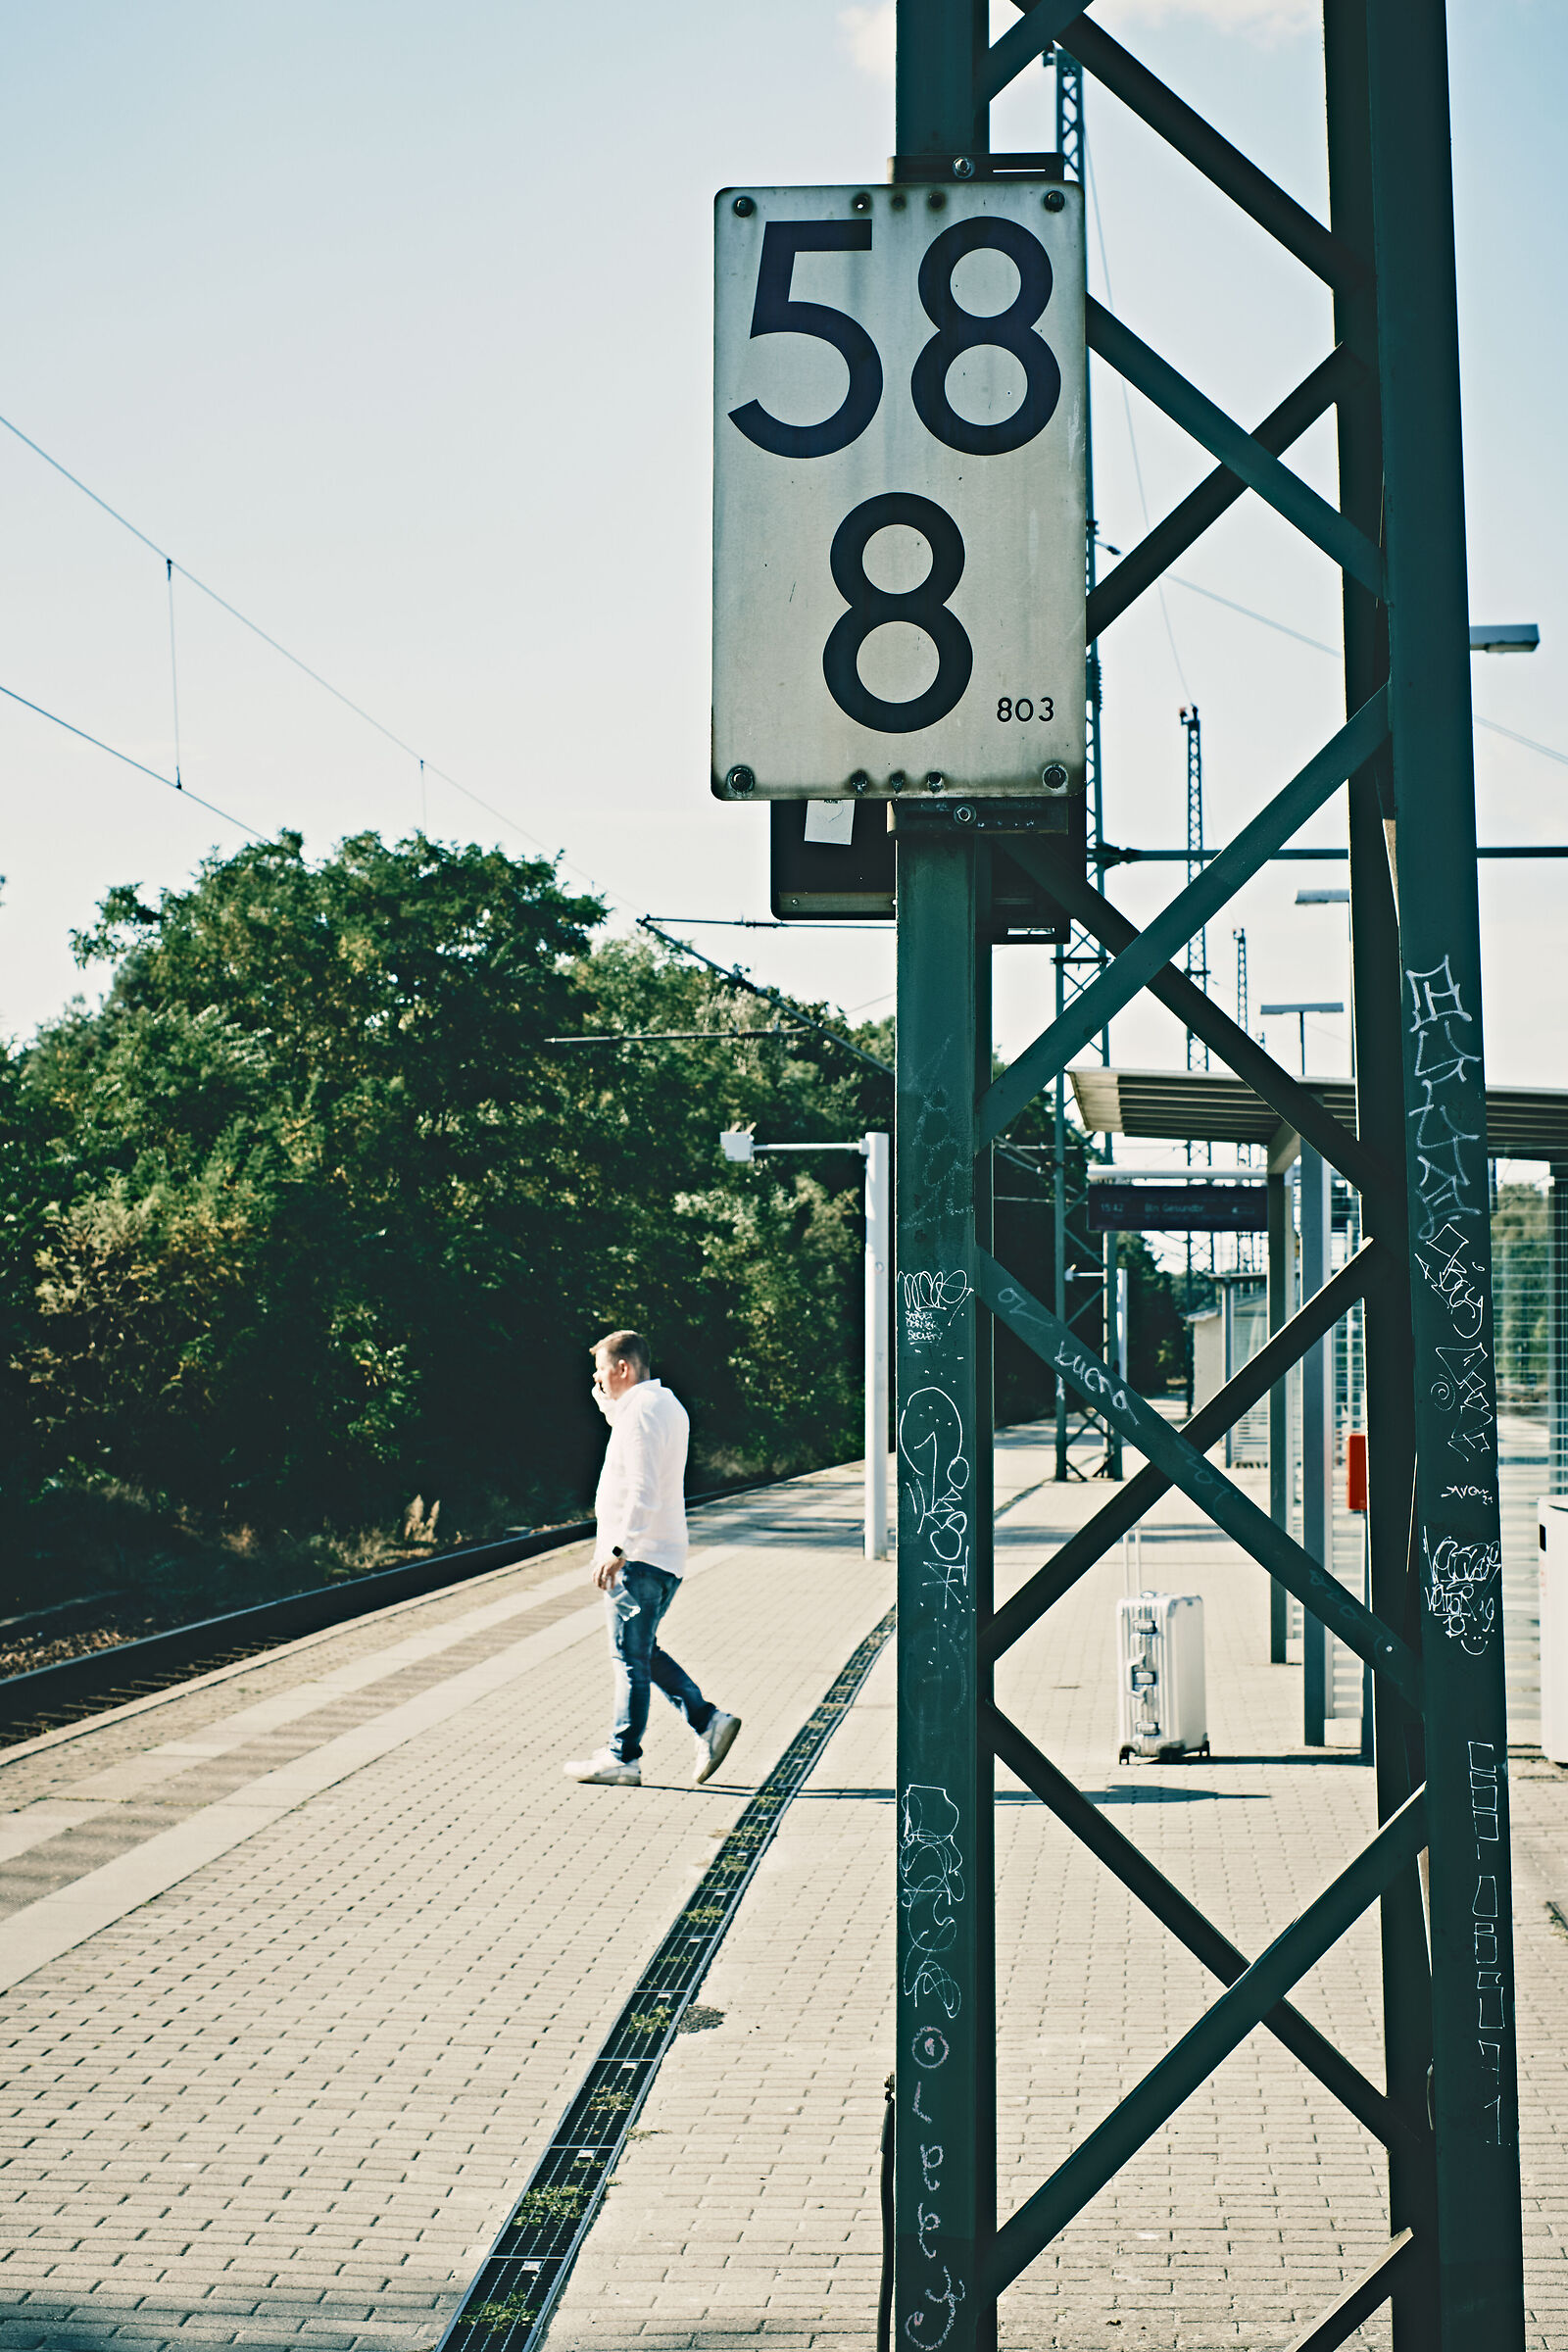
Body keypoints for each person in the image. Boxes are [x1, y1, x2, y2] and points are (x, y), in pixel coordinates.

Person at [564, 1329, 741, 1788]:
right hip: (665, 1555)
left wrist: (619, 1550)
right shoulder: (663, 1406)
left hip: (638, 1557)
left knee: (628, 1657)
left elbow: (642, 1486)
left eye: (602, 1369)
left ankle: (623, 1756)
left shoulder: (640, 1413)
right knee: (643, 1652)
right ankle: (707, 1721)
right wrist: (605, 1400)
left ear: (623, 1368)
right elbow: (629, 1437)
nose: (597, 1377)